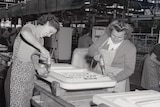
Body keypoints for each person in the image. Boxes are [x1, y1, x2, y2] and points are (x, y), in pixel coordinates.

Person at [4, 14, 60, 107]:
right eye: (50, 31)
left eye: (51, 34)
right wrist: (42, 49)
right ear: (45, 23)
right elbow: (25, 33)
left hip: (28, 77)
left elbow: (33, 56)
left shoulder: (41, 40)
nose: (49, 35)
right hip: (17, 75)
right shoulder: (30, 27)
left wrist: (38, 68)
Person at [88, 20, 136, 92]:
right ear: (110, 32)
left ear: (126, 35)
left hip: (117, 81)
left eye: (119, 37)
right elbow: (91, 49)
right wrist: (95, 54)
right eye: (113, 35)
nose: (115, 39)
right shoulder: (104, 38)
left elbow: (129, 69)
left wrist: (115, 78)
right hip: (98, 76)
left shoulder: (130, 47)